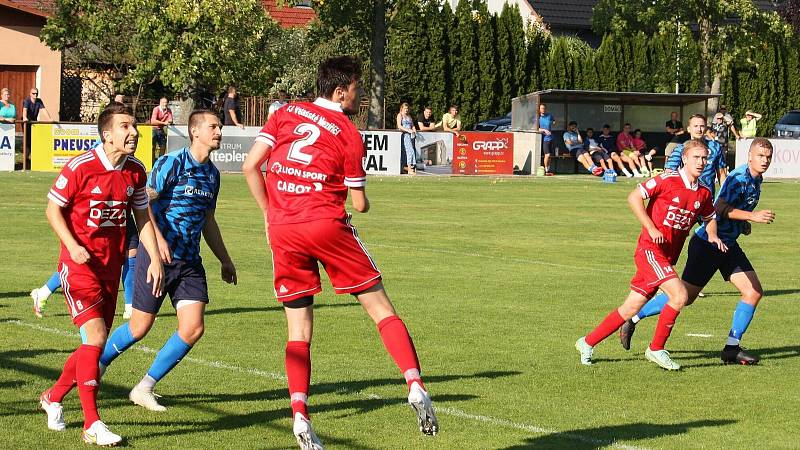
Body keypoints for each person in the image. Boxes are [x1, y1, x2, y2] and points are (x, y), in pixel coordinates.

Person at [242, 55, 438, 449]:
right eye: (357, 87)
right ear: (339, 91)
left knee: (298, 331)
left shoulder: (285, 113)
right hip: (325, 224)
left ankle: (300, 414)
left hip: (283, 230)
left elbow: (250, 166)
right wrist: (360, 200)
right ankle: (415, 384)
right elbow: (359, 203)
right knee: (382, 310)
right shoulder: (348, 132)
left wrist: (269, 215)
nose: (360, 94)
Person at [38, 103, 164, 446]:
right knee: (94, 339)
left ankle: (52, 397)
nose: (134, 132)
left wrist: (154, 258)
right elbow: (53, 210)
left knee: (93, 346)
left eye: (134, 126)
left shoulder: (136, 170)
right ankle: (92, 424)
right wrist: (72, 245)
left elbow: (143, 217)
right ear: (106, 134)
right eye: (125, 127)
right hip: (78, 268)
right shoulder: (80, 167)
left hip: (111, 268)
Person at [99, 109, 236, 412]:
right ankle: (97, 364)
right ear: (195, 132)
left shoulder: (212, 175)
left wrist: (225, 260)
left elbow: (208, 220)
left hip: (189, 262)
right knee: (139, 327)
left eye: (220, 127)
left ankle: (144, 387)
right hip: (156, 257)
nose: (219, 131)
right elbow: (143, 204)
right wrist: (158, 244)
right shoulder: (171, 163)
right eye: (213, 126)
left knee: (193, 328)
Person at [620, 138, 774, 365]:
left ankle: (731, 349)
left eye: (768, 157)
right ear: (749, 157)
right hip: (708, 245)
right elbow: (719, 208)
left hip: (728, 245)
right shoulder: (738, 177)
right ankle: (633, 318)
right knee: (685, 297)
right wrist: (751, 215)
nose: (765, 160)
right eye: (760, 156)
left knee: (753, 292)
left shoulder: (755, 179)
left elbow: (734, 210)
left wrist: (744, 222)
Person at [576, 140, 725, 370]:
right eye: (696, 157)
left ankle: (587, 342)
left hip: (667, 256)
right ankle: (656, 349)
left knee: (630, 308)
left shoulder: (703, 192)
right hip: (649, 251)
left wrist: (713, 236)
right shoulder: (668, 180)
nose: (701, 162)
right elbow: (634, 197)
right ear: (684, 159)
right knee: (679, 295)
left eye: (704, 158)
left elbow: (709, 217)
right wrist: (651, 227)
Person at [31, 218, 139, 320]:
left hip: (122, 211)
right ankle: (43, 293)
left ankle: (130, 307)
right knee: (87, 261)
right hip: (97, 212)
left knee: (132, 252)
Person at [664, 114, 727, 195]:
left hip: (707, 199)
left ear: (705, 129)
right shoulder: (681, 148)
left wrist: (724, 196)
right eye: (695, 126)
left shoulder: (715, 147)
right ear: (689, 129)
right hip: (686, 198)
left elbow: (721, 174)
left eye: (702, 126)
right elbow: (669, 173)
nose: (699, 129)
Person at [397, 102, 417, 175]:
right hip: (404, 135)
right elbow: (399, 126)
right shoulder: (400, 115)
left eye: (407, 108)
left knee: (409, 151)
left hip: (410, 135)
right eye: (405, 108)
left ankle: (407, 168)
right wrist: (408, 130)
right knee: (409, 151)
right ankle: (409, 168)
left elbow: (412, 125)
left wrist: (414, 130)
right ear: (402, 108)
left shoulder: (409, 116)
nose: (406, 110)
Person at [536, 103, 555, 176]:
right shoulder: (538, 117)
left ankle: (548, 170)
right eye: (541, 108)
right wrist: (544, 130)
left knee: (550, 156)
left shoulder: (549, 116)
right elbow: (536, 128)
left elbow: (554, 121)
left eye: (544, 108)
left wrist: (552, 123)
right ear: (539, 109)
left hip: (551, 138)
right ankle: (546, 170)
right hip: (543, 139)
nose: (543, 110)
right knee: (547, 155)